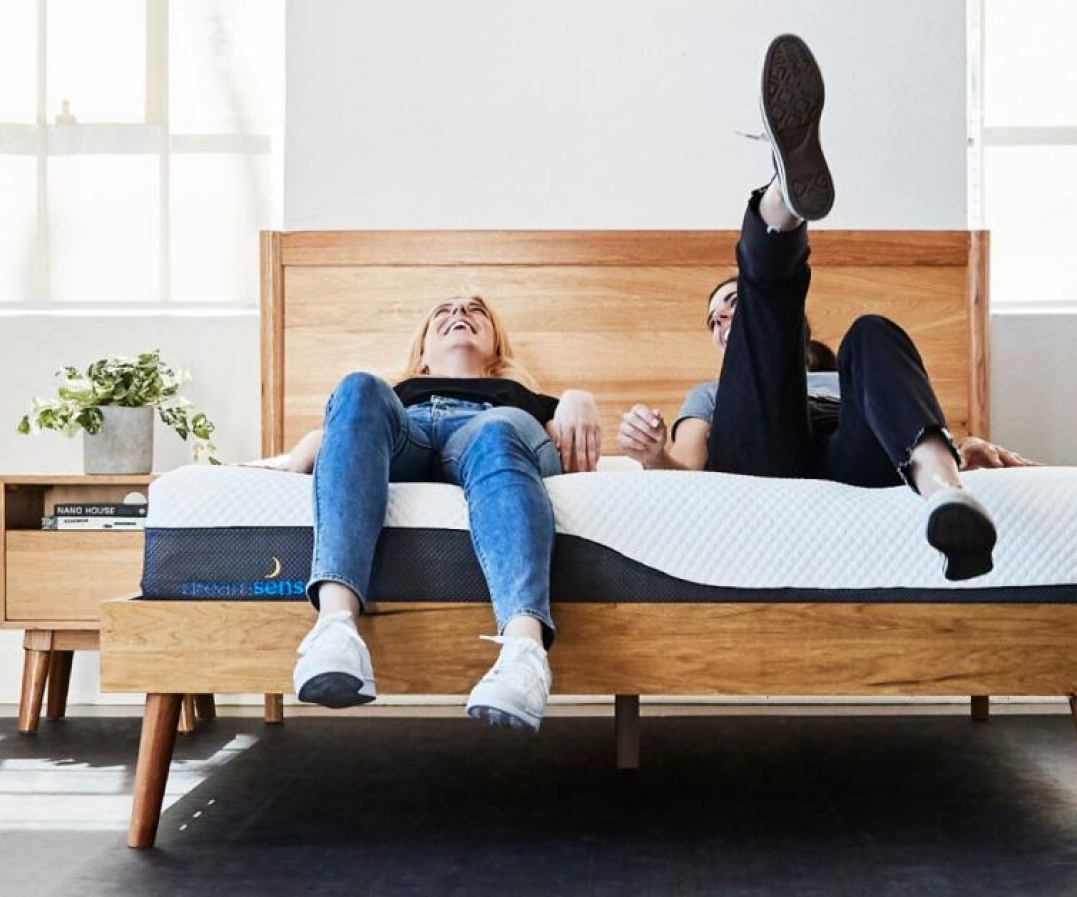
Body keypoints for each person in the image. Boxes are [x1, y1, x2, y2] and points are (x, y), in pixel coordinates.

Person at [616, 34, 1034, 581]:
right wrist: (653, 458)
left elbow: (896, 406)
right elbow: (688, 469)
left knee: (872, 331)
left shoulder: (848, 373)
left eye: (731, 308)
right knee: (767, 304)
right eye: (715, 321)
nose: (724, 323)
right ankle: (785, 204)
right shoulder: (715, 393)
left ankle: (945, 493)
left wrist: (953, 444)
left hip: (856, 450)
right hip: (762, 453)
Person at [255, 295, 602, 731]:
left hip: (491, 430)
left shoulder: (525, 398)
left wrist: (577, 397)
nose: (458, 314)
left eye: (475, 311)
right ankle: (336, 628)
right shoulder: (393, 397)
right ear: (421, 355)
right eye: (444, 311)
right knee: (358, 383)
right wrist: (294, 458)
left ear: (498, 347)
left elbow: (577, 451)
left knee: (497, 430)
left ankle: (524, 654)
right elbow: (329, 441)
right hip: (409, 434)